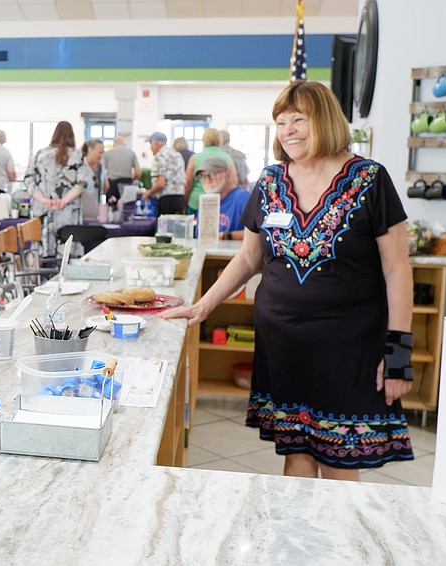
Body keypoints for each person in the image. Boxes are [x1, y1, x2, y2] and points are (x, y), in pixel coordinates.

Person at [159, 81, 414, 481]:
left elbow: (398, 268)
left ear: (326, 121)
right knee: (295, 451)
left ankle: (338, 544)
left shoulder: (369, 179)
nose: (288, 129)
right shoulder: (272, 180)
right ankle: (296, 542)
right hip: (284, 345)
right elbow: (249, 258)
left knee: (339, 459)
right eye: (280, 122)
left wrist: (398, 357)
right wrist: (202, 305)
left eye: (299, 119)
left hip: (349, 349)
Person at [24, 120, 90, 256]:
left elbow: (29, 180)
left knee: (38, 251)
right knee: (66, 254)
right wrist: (63, 201)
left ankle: (39, 277)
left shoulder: (40, 155)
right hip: (68, 214)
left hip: (43, 212)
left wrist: (45, 200)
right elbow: (82, 183)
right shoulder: (78, 156)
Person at [185, 128, 237, 216]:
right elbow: (233, 181)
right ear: (220, 140)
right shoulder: (227, 158)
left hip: (196, 202)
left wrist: (185, 201)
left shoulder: (195, 158)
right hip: (219, 202)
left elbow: (188, 182)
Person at [195, 156, 248, 241]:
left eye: (212, 174)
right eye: (203, 176)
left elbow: (259, 233)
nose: (207, 180)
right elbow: (200, 235)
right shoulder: (206, 201)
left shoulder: (242, 198)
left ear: (227, 174)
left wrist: (226, 236)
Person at [144, 132, 186, 215]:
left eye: (150, 144)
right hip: (179, 199)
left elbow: (161, 183)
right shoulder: (177, 155)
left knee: (165, 227)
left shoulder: (159, 156)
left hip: (166, 201)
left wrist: (147, 194)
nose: (150, 148)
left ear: (156, 143)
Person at [102, 135, 140, 201]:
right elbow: (138, 173)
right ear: (124, 144)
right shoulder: (131, 153)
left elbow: (102, 170)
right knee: (127, 208)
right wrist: (132, 180)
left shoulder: (107, 154)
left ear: (114, 144)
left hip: (112, 185)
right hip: (127, 184)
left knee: (111, 208)